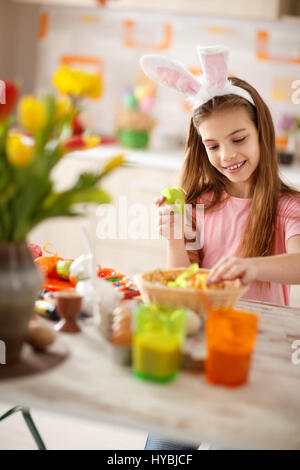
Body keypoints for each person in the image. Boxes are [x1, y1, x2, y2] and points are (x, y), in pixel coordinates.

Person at [140, 45, 300, 450]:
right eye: (213, 145)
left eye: (238, 138)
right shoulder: (199, 204)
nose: (227, 155)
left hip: (259, 358)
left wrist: (252, 268)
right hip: (197, 345)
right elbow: (181, 280)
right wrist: (175, 234)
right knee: (164, 447)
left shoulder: (288, 207)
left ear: (262, 131)